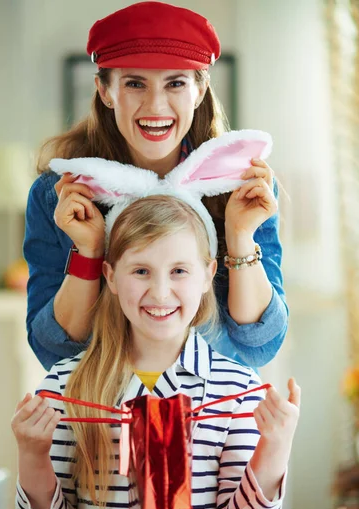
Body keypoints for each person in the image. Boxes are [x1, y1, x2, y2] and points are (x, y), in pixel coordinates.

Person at [13, 190, 300, 509]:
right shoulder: (65, 388)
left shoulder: (238, 391)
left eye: (179, 271)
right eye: (141, 271)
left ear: (207, 275)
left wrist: (274, 448)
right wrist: (32, 454)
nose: (161, 293)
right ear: (110, 277)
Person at [24, 1, 288, 371]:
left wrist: (240, 236)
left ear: (199, 90)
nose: (155, 105)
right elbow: (55, 350)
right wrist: (89, 251)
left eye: (175, 83)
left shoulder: (241, 186)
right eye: (134, 83)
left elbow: (259, 343)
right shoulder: (60, 195)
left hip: (214, 414)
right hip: (104, 413)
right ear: (105, 90)